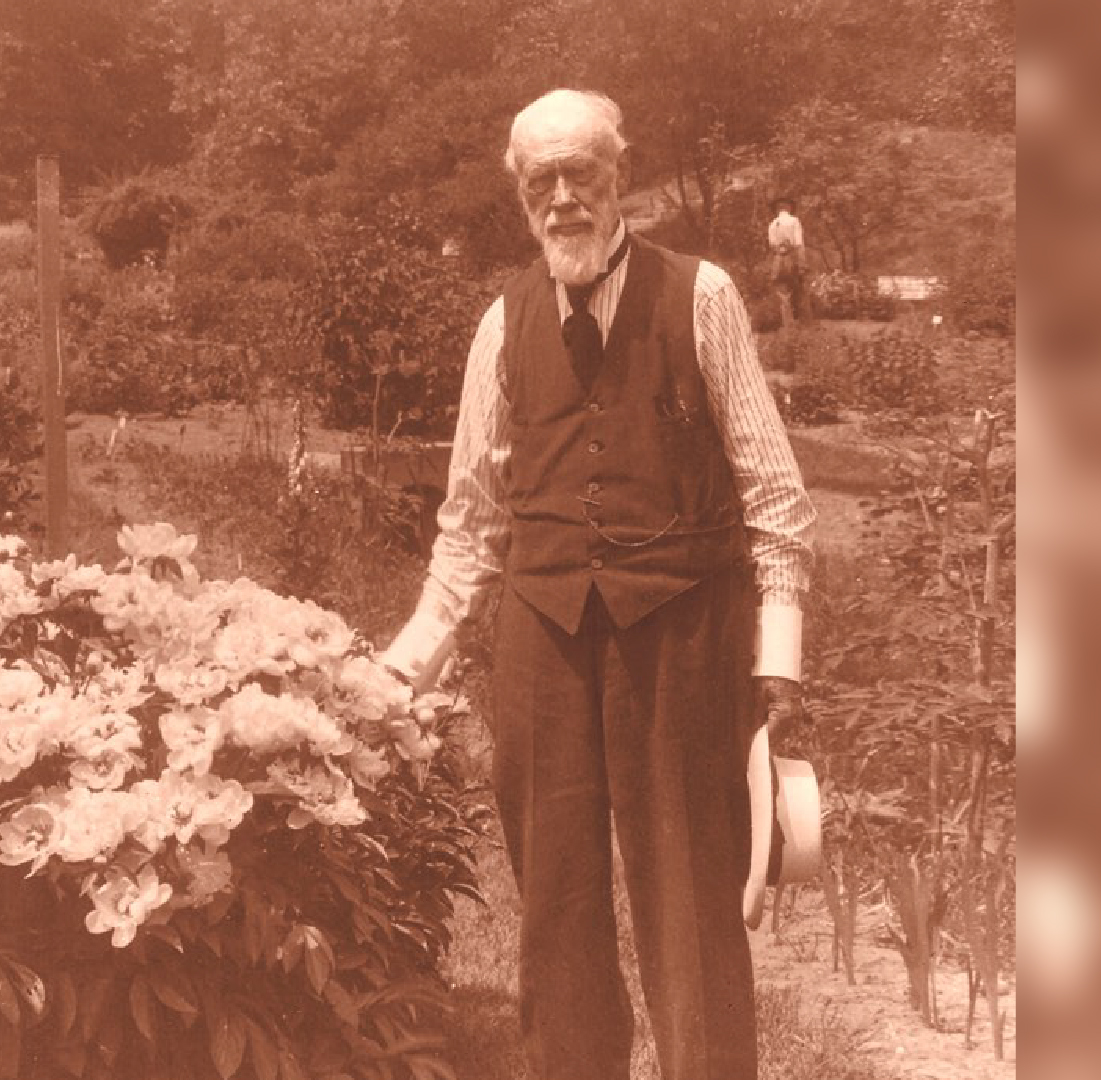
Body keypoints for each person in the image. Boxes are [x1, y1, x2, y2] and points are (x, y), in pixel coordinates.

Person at [378, 89, 816, 1080]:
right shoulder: (503, 323)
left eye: (584, 174)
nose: (565, 198)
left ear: (622, 181)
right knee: (558, 913)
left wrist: (777, 656)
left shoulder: (700, 296)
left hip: (683, 634)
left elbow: (777, 493)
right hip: (544, 644)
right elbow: (472, 518)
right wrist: (405, 665)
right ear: (522, 197)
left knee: (694, 906)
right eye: (544, 181)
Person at [767, 198, 806, 324]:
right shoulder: (794, 221)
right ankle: (802, 323)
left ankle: (787, 324)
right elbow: (799, 243)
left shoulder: (773, 224)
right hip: (792, 257)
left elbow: (772, 245)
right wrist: (802, 263)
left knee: (783, 293)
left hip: (779, 259)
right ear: (788, 207)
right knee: (799, 290)